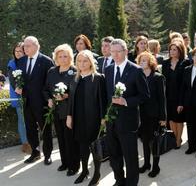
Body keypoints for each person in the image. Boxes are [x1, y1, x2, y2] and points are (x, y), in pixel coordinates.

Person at [104, 39, 149, 186]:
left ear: (126, 52)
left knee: (130, 157)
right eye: (113, 52)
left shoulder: (136, 70)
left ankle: (131, 183)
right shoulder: (108, 70)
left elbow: (144, 96)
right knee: (114, 155)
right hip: (111, 122)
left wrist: (126, 101)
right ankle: (119, 180)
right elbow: (106, 95)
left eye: (119, 51)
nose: (115, 55)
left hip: (128, 122)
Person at [66, 50, 106, 185]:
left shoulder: (98, 78)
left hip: (93, 118)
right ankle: (84, 171)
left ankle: (97, 173)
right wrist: (69, 116)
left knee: (95, 147)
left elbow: (102, 100)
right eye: (79, 61)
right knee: (82, 146)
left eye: (85, 61)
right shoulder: (75, 78)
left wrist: (103, 118)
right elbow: (71, 99)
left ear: (90, 62)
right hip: (78, 118)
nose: (82, 64)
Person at [15, 36, 54, 165]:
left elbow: (50, 84)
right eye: (24, 46)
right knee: (30, 129)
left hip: (42, 103)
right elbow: (19, 79)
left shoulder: (46, 61)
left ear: (37, 46)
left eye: (28, 46)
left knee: (45, 129)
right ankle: (35, 152)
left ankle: (48, 154)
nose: (24, 48)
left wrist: (49, 99)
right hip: (27, 102)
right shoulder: (21, 61)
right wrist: (18, 86)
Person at [43, 44, 80, 176]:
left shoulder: (75, 71)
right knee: (61, 138)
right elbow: (46, 89)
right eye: (60, 56)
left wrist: (67, 95)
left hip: (70, 111)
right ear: (56, 58)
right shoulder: (52, 71)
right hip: (57, 112)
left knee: (70, 139)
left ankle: (74, 165)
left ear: (70, 57)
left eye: (66, 56)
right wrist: (49, 99)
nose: (63, 59)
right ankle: (64, 162)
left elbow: (79, 93)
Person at [136, 52, 166, 177]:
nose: (142, 62)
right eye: (140, 60)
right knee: (144, 140)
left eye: (144, 60)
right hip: (141, 115)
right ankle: (146, 164)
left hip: (154, 115)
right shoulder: (138, 76)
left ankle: (156, 166)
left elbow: (162, 98)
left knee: (155, 142)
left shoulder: (158, 77)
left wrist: (163, 118)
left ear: (150, 62)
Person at [162, 42, 190, 148]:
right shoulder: (165, 63)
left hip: (180, 95)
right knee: (171, 119)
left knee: (179, 119)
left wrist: (182, 100)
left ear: (180, 51)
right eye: (171, 49)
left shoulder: (185, 62)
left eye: (175, 50)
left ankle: (178, 139)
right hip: (168, 95)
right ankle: (174, 138)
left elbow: (185, 82)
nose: (172, 52)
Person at [7, 42, 31, 154]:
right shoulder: (12, 63)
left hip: (30, 96)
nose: (17, 53)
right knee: (22, 120)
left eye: (20, 51)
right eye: (16, 51)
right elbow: (12, 80)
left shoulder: (28, 61)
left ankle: (32, 141)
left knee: (31, 120)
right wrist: (18, 88)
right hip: (18, 96)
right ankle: (25, 143)